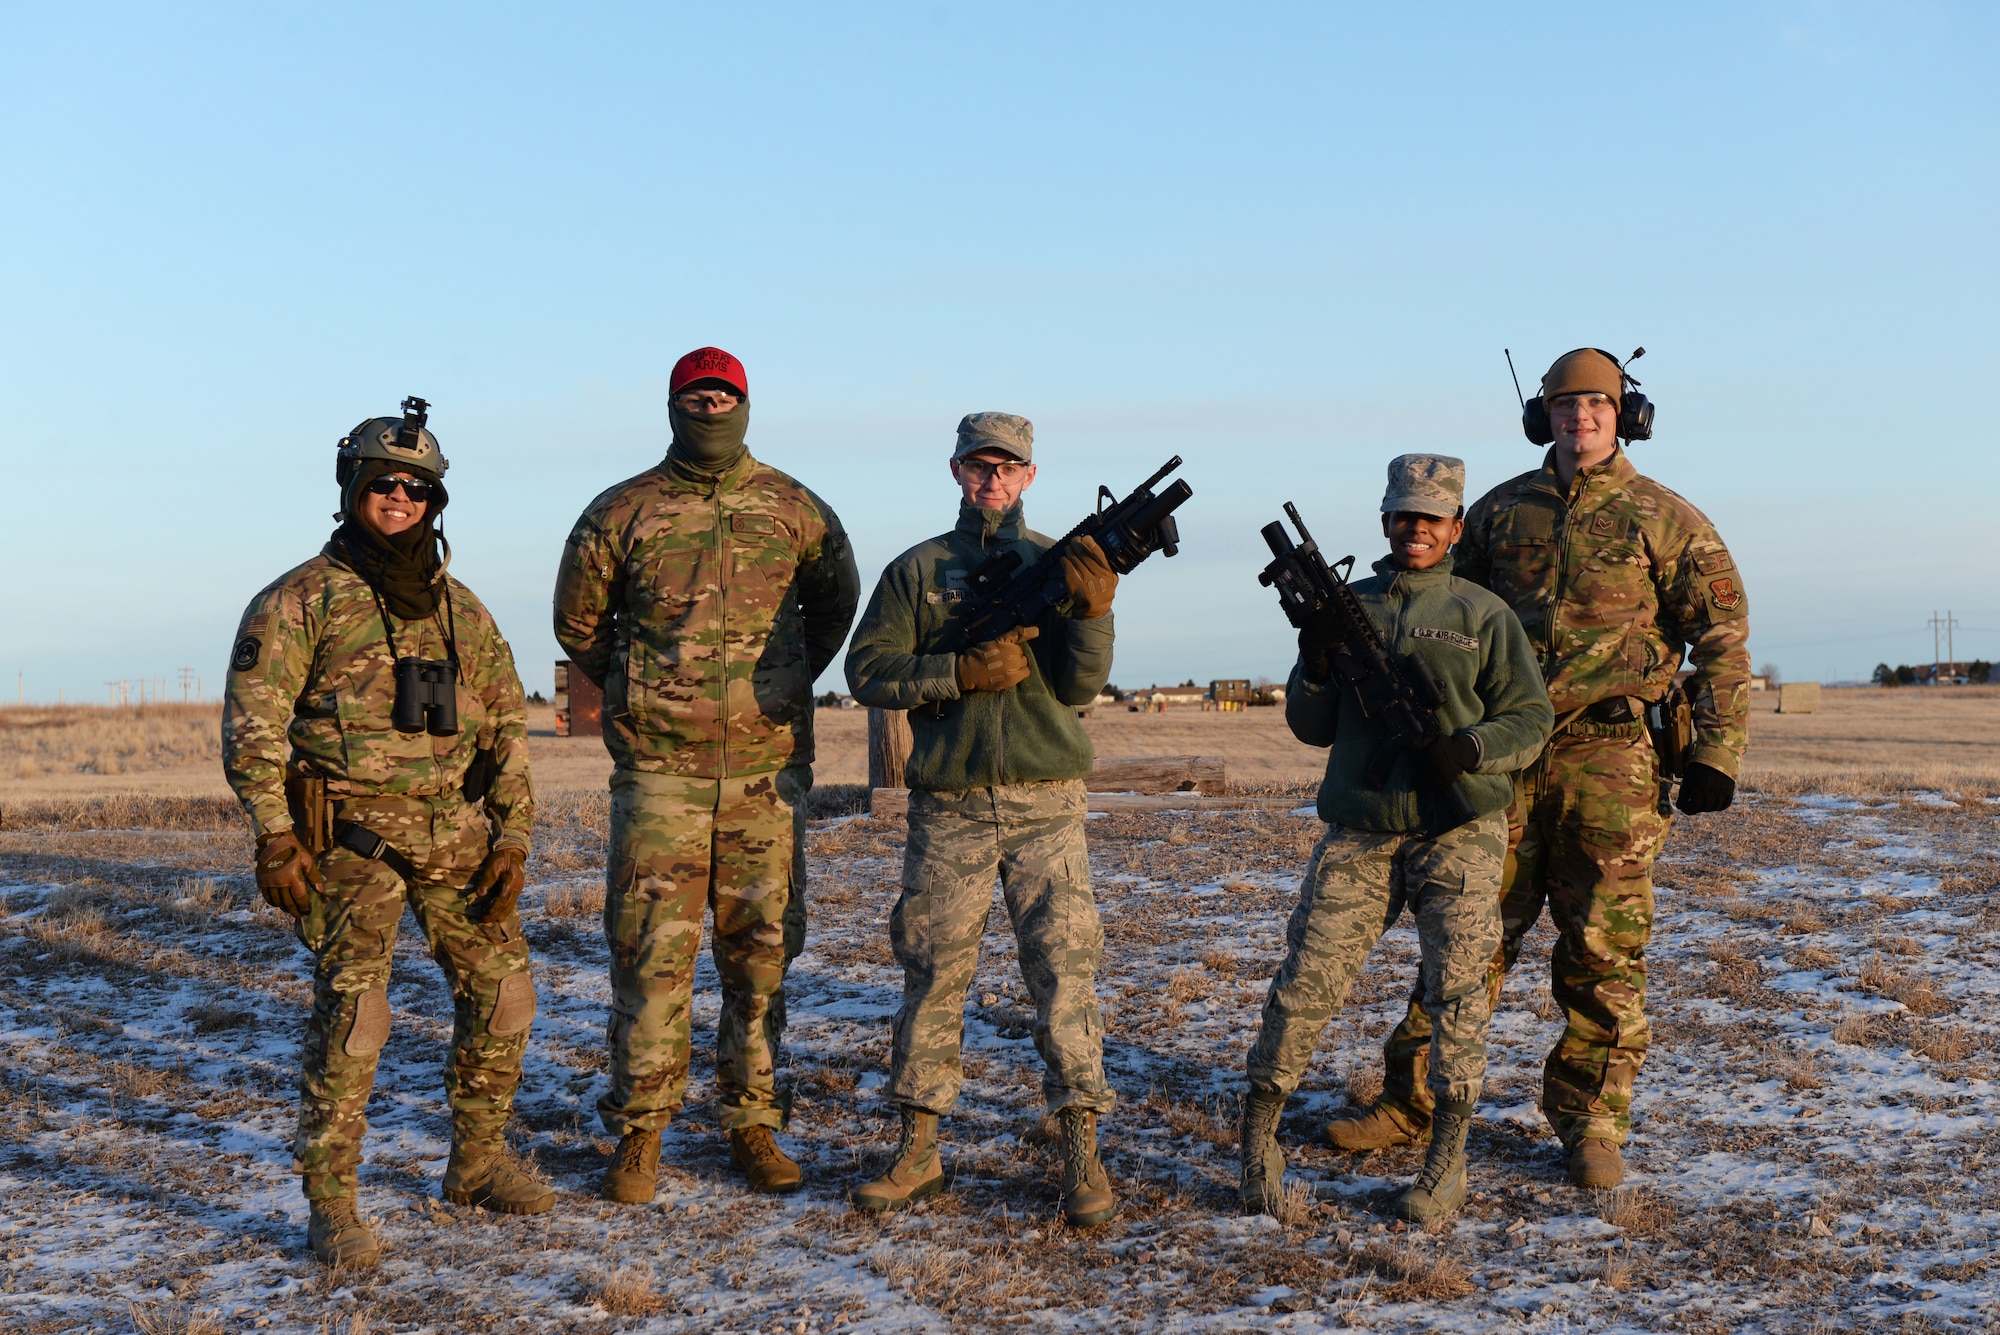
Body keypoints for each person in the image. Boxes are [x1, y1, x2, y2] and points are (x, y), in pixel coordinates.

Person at [1326, 349, 1751, 1189]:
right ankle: (1414, 1099)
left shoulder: (1666, 519)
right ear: (1541, 416)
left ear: (1625, 413)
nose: (1579, 418)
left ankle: (1592, 1120)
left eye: (1596, 403)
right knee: (1465, 933)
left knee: (1603, 943)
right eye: (1564, 405)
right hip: (1501, 757)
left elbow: (1725, 640)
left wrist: (1714, 750)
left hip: (1615, 759)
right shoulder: (1495, 513)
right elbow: (1439, 609)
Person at [223, 401, 546, 1269]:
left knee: (506, 998)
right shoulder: (300, 599)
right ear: (354, 490)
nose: (399, 498)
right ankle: (333, 1201)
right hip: (350, 847)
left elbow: (509, 727)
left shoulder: (461, 610)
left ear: (434, 503)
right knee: (357, 1016)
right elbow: (253, 729)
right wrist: (275, 838)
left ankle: (475, 1166)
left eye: (416, 488)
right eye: (383, 484)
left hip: (458, 842)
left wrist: (513, 839)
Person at [553, 347, 860, 1200]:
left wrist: (779, 685)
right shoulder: (623, 510)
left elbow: (835, 606)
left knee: (760, 958)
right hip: (661, 774)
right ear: (672, 405)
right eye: (696, 395)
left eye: (723, 394)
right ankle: (640, 1131)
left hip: (766, 772)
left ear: (746, 405)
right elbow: (578, 621)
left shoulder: (796, 508)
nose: (710, 406)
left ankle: (753, 1122)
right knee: (650, 957)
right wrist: (642, 689)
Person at [1239, 455, 1553, 1222]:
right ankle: (1259, 1132)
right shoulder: (1351, 606)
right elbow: (1311, 726)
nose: (1416, 529)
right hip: (1363, 827)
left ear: (1454, 527)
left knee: (1456, 993)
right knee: (1306, 978)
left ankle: (1447, 1156)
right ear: (1385, 522)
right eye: (1403, 516)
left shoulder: (1484, 614)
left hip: (1459, 831)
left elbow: (1531, 718)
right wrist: (1314, 666)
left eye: (1432, 518)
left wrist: (1470, 750)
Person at [843, 412, 1123, 1226]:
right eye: (978, 465)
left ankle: (1080, 1150)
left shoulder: (1058, 564)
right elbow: (868, 670)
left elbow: (1080, 686)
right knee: (932, 975)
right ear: (956, 470)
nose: (992, 480)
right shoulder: (918, 571)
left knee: (1065, 974)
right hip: (951, 807)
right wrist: (955, 670)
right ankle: (919, 1149)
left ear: (1031, 475)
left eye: (1008, 467)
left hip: (1046, 804)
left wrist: (1095, 610)